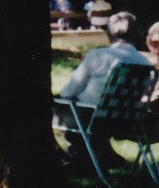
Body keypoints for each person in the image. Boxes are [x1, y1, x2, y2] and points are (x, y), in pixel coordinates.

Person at [54, 11, 152, 168]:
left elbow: (69, 91)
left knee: (48, 106)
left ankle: (66, 158)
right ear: (136, 34)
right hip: (126, 121)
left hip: (92, 118)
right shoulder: (144, 63)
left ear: (109, 34)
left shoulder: (97, 55)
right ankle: (98, 157)